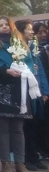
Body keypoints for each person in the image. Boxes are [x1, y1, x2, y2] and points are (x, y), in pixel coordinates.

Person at [0, 16, 40, 172]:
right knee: (3, 128)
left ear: (11, 27)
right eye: (0, 25)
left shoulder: (21, 44)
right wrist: (6, 70)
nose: (4, 28)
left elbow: (30, 63)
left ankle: (20, 162)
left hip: (19, 90)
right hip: (0, 91)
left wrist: (25, 69)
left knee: (18, 128)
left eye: (6, 25)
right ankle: (6, 163)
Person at [14, 19, 49, 171]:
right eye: (29, 29)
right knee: (25, 126)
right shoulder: (16, 49)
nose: (32, 32)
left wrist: (45, 91)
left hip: (36, 92)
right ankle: (26, 158)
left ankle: (35, 156)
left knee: (36, 124)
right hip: (23, 92)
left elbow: (39, 71)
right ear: (21, 31)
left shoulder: (34, 48)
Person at [34, 22, 49, 159]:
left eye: (45, 32)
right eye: (40, 33)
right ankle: (40, 150)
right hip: (38, 90)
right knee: (41, 121)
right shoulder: (37, 50)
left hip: (44, 88)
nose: (43, 35)